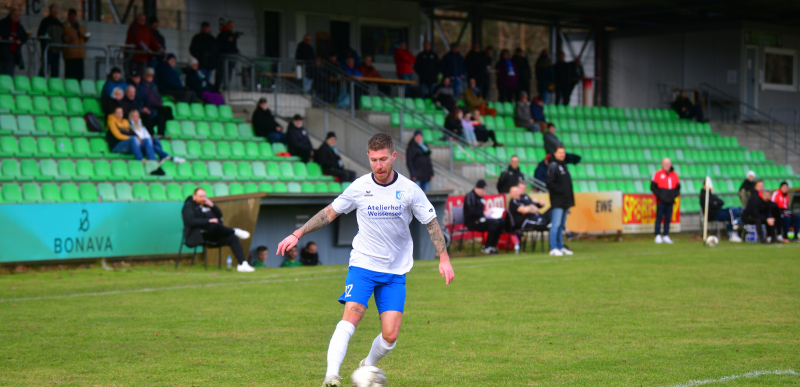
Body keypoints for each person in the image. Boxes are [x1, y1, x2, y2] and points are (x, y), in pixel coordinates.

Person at [274, 133, 454, 387]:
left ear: (394, 156)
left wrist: (444, 258)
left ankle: (366, 367)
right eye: (373, 160)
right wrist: (298, 233)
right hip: (363, 265)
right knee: (351, 317)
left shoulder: (410, 190)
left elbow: (431, 223)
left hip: (395, 271)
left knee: (390, 335)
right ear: (368, 158)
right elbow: (329, 213)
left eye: (383, 159)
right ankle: (331, 377)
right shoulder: (359, 187)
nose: (378, 166)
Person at [182, 187, 255, 272]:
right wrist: (209, 221)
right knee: (214, 225)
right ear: (194, 197)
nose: (203, 198)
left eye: (204, 196)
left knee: (232, 238)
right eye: (200, 196)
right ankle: (234, 230)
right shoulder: (189, 206)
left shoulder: (206, 205)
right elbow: (190, 221)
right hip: (200, 235)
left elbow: (219, 215)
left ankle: (242, 264)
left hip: (214, 234)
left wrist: (212, 205)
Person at [546, 146, 574, 256]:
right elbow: (549, 183)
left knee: (562, 224)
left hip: (566, 200)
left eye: (563, 153)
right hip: (558, 200)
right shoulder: (553, 165)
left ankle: (560, 246)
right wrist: (561, 190)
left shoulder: (564, 165)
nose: (562, 155)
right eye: (560, 153)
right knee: (556, 224)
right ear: (555, 153)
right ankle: (553, 247)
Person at [463, 179, 502, 254]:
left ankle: (492, 245)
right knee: (494, 223)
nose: (484, 192)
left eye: (485, 190)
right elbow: (471, 211)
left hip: (481, 219)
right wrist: (484, 213)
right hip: (472, 221)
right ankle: (486, 246)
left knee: (501, 222)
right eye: (482, 190)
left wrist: (487, 214)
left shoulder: (480, 197)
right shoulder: (470, 196)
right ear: (477, 188)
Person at [651, 157, 681, 244]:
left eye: (668, 163)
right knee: (659, 217)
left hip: (670, 201)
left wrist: (673, 196)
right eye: (665, 163)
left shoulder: (674, 175)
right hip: (661, 201)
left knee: (668, 218)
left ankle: (666, 235)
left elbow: (678, 188)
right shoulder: (657, 173)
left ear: (671, 164)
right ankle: (657, 234)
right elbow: (653, 187)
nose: (667, 165)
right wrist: (660, 196)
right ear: (662, 164)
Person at [61, 9, 89, 80]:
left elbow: (83, 38)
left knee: (80, 76)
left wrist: (86, 38)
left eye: (74, 16)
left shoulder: (81, 27)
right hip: (70, 56)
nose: (73, 17)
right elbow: (62, 38)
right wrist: (70, 39)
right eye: (71, 16)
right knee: (71, 76)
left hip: (80, 55)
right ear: (69, 16)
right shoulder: (65, 26)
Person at [37, 4, 63, 78]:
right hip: (48, 50)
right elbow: (40, 35)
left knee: (55, 70)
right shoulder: (45, 22)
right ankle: (40, 84)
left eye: (56, 10)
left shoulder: (59, 24)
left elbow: (62, 37)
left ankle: (53, 87)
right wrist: (46, 45)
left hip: (57, 50)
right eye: (53, 10)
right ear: (50, 11)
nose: (55, 12)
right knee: (44, 68)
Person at [0, 9, 28, 75]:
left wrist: (20, 40)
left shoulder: (19, 26)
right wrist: (7, 38)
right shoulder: (3, 23)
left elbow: (25, 36)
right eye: (14, 15)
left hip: (13, 55)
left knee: (9, 75)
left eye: (18, 15)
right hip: (2, 54)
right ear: (10, 15)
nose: (16, 17)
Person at [216, 20, 240, 87]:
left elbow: (234, 47)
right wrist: (227, 39)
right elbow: (219, 46)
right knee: (220, 74)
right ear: (226, 26)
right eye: (229, 26)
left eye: (232, 26)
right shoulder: (221, 35)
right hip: (222, 59)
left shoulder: (233, 35)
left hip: (230, 59)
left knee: (228, 74)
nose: (231, 27)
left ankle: (226, 87)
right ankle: (217, 88)